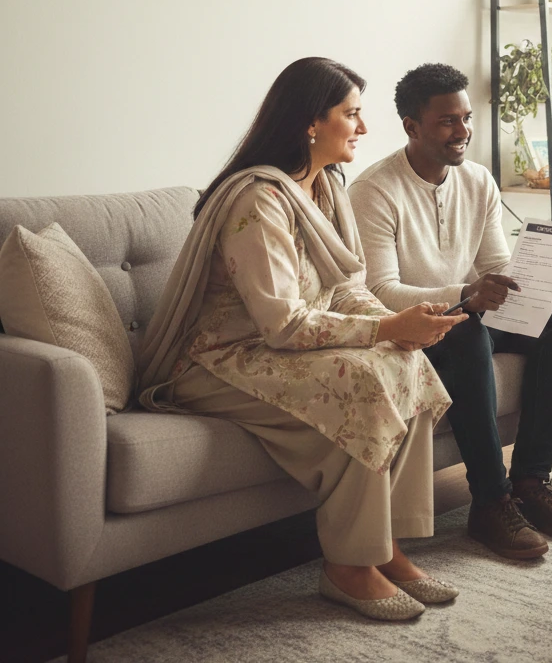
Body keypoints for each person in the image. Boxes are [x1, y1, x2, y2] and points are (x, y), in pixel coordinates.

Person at [136, 58, 469, 622]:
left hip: (277, 351)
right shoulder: (258, 201)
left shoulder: (326, 188)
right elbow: (283, 322)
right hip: (219, 360)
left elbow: (346, 290)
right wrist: (387, 327)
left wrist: (403, 323)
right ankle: (347, 567)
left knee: (404, 363)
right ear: (311, 123)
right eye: (352, 114)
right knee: (366, 380)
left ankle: (386, 547)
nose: (363, 128)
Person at [349, 63, 552, 561]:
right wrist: (465, 293)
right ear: (411, 126)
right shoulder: (373, 191)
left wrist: (528, 275)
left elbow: (494, 262)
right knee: (464, 334)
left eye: (466, 118)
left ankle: (529, 481)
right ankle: (490, 501)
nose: (462, 132)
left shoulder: (479, 181)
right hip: (415, 328)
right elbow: (378, 290)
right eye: (447, 122)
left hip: (467, 309)